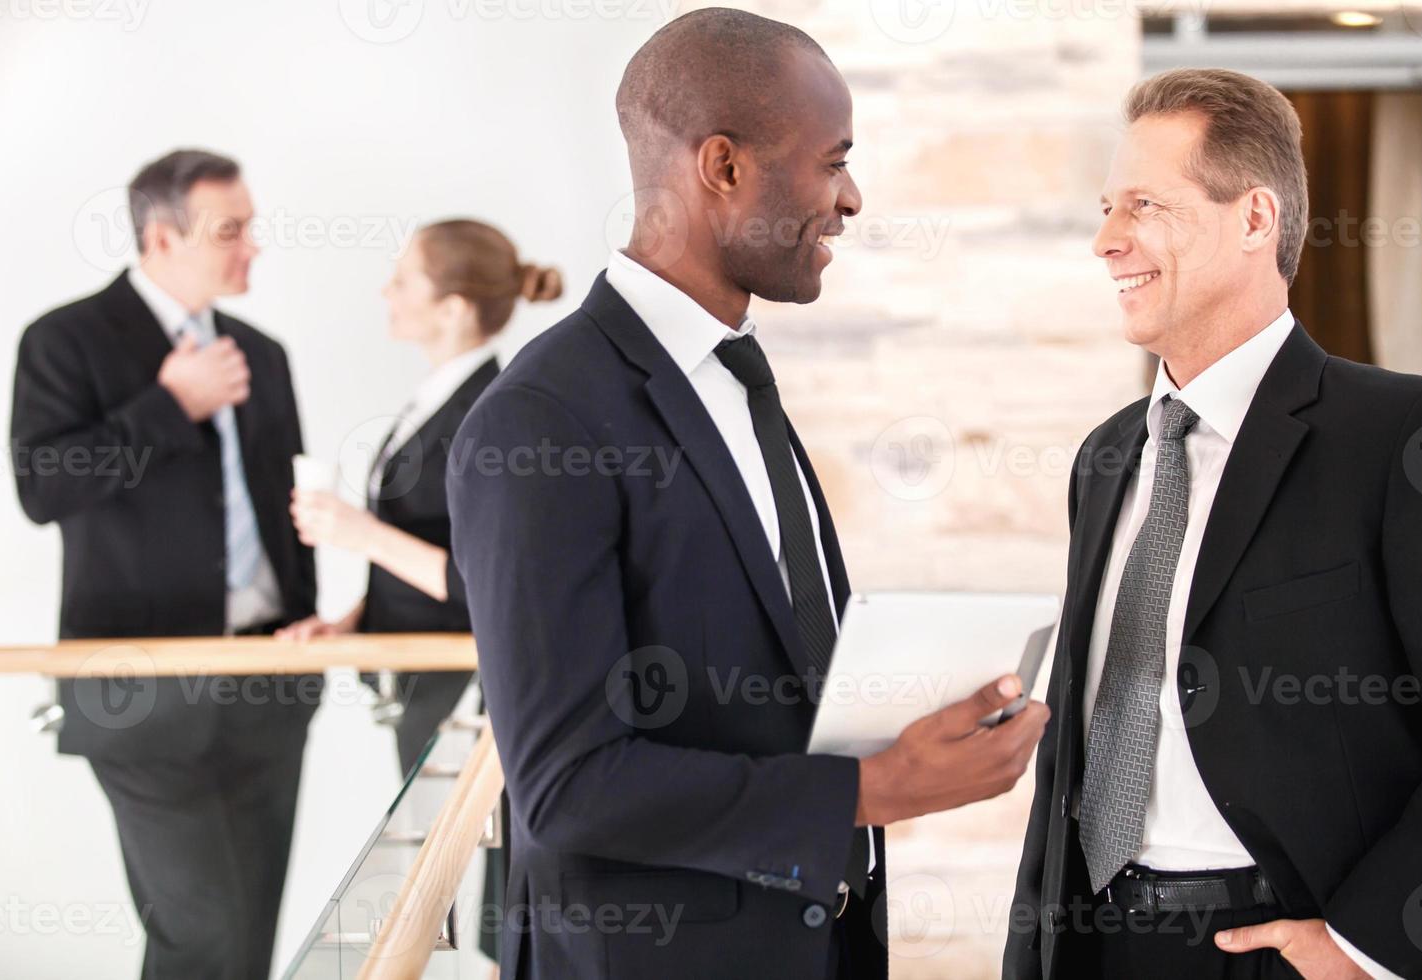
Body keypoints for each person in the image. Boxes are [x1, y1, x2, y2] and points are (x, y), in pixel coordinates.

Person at [446, 9, 1050, 980]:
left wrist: (912, 727)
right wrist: (868, 787)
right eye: (832, 160)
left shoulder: (736, 373)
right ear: (722, 167)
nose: (851, 197)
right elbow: (569, 783)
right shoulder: (540, 420)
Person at [1004, 68, 1422, 980]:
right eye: (1105, 207)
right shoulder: (1106, 456)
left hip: (1292, 946)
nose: (1106, 241)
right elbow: (1078, 756)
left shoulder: (1406, 438)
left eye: (1144, 206)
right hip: (1100, 946)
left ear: (1255, 220)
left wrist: (1368, 949)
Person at [9, 148, 317, 980]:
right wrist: (169, 405)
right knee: (202, 930)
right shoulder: (65, 339)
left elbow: (292, 513)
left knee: (247, 937)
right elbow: (41, 488)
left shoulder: (264, 351)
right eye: (231, 230)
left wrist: (311, 637)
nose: (251, 246)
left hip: (270, 685)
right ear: (161, 236)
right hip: (137, 689)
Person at [278, 218, 560, 968]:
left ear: (455, 307)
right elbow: (432, 554)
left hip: (469, 695)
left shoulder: (492, 411)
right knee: (445, 897)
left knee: (470, 897)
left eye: (404, 279)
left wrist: (352, 530)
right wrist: (350, 623)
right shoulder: (438, 399)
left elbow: (482, 580)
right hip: (424, 684)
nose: (386, 292)